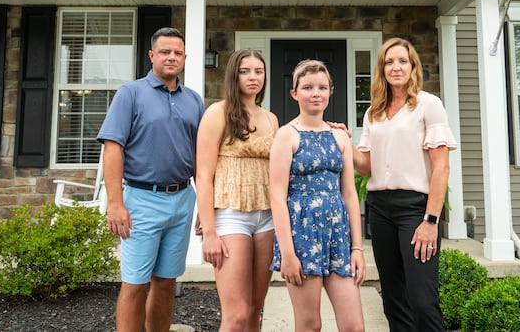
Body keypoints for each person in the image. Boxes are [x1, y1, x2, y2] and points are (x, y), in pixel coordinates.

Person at [97, 27, 205, 332]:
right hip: (141, 200)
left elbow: (200, 158)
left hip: (183, 200)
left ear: (185, 57)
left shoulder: (194, 101)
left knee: (166, 281)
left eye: (178, 53)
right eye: (165, 52)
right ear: (151, 56)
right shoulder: (130, 94)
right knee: (135, 283)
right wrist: (116, 202)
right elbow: (113, 148)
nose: (172, 58)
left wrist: (206, 208)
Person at [352, 37, 457, 332]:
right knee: (394, 299)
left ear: (413, 67)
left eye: (402, 61)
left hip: (414, 209)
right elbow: (366, 167)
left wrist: (431, 220)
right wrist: (343, 142)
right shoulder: (374, 112)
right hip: (380, 209)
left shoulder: (428, 105)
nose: (395, 67)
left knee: (422, 300)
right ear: (381, 69)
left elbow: (441, 168)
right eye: (389, 61)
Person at [269, 59, 366, 332]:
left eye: (322, 87)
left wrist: (356, 249)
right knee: (310, 324)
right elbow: (277, 196)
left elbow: (349, 194)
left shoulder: (340, 137)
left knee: (354, 326)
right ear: (295, 93)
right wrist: (288, 253)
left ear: (330, 92)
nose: (316, 93)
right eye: (308, 87)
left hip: (338, 237)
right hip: (302, 237)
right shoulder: (286, 136)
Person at [195, 49, 280, 331]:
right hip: (231, 216)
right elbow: (204, 176)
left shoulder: (271, 118)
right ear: (234, 75)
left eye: (259, 71)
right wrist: (209, 231)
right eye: (245, 71)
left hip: (267, 217)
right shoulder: (217, 113)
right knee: (237, 315)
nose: (253, 77)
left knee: (256, 309)